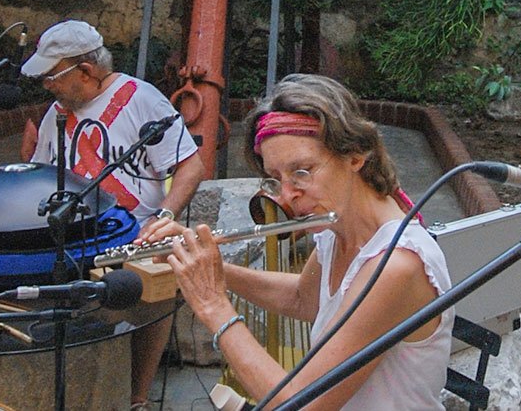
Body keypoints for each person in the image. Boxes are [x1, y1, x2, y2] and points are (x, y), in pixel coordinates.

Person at [134, 73, 452, 408]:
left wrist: (214, 305)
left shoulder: (397, 265)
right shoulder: (337, 229)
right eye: (276, 178)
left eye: (302, 171)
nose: (287, 195)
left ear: (356, 155)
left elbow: (301, 404)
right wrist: (209, 268)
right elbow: (303, 298)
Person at [20, 19, 207, 410]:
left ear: (85, 71)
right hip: (71, 237)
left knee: (155, 275)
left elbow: (191, 167)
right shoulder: (58, 110)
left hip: (133, 230)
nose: (46, 86)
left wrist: (163, 216)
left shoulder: (140, 98)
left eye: (52, 76)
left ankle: (137, 398)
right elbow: (41, 174)